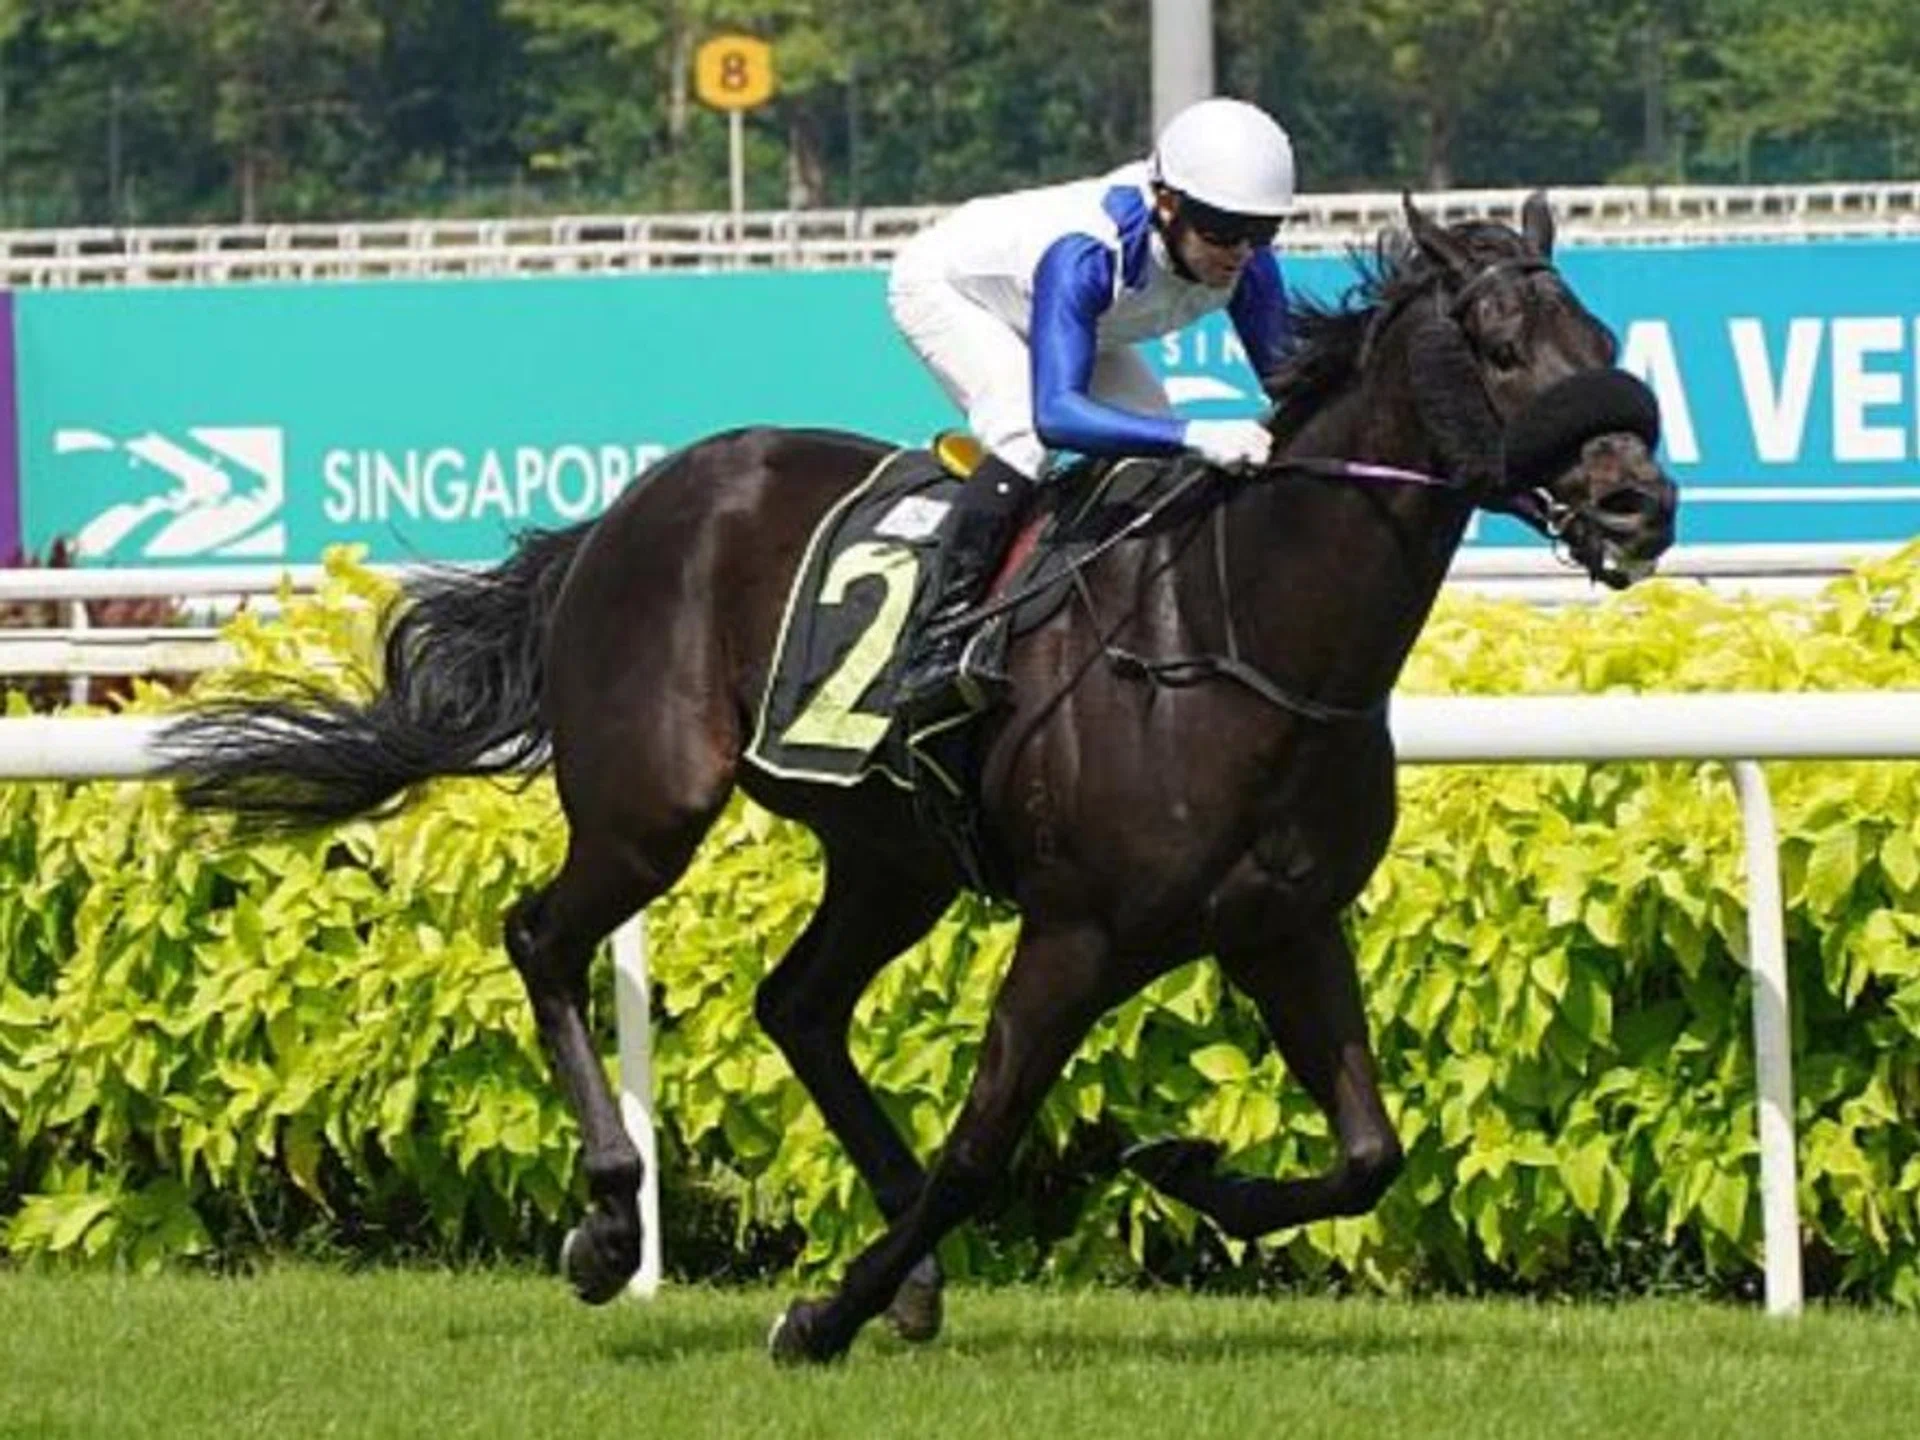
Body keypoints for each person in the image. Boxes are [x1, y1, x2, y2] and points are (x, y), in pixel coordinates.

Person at [886, 96, 1299, 721]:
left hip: (1088, 324)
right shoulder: (1087, 251)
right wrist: (1196, 431)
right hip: (952, 290)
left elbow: (1290, 382)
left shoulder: (1244, 260)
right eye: (1220, 229)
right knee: (1025, 437)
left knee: (1161, 471)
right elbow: (1059, 416)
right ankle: (936, 640)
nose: (1239, 252)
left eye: (1261, 232)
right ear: (1167, 202)